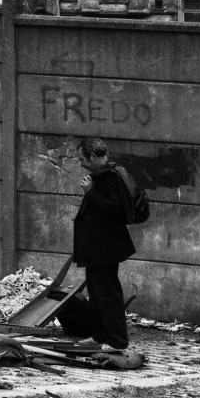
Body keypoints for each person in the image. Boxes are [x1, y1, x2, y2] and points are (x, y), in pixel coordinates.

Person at [73, 137, 135, 351]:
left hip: (106, 248)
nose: (81, 163)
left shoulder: (110, 176)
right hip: (97, 247)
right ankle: (100, 336)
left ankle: (117, 341)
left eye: (83, 159)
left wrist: (90, 192)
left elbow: (114, 210)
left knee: (108, 294)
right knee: (97, 293)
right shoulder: (103, 174)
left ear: (92, 156)